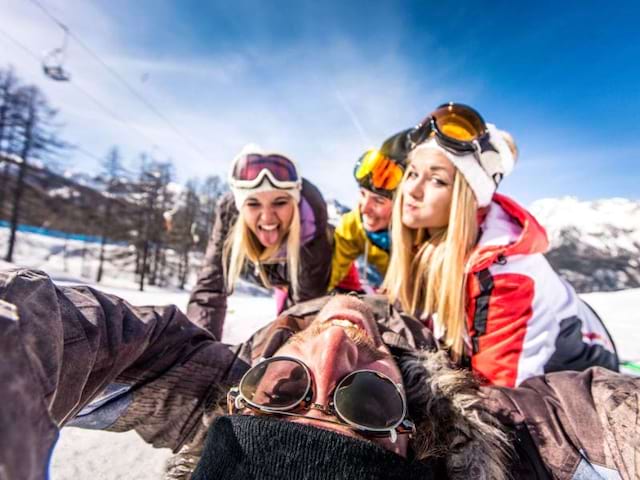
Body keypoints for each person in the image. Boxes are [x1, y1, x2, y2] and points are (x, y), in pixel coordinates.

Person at [1, 267, 637, 480]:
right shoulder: (514, 430)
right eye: (365, 402)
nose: (333, 349)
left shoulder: (204, 386)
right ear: (418, 435)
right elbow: (604, 415)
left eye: (281, 391)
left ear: (234, 403)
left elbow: (47, 326)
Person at [382, 102, 618, 387]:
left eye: (437, 180)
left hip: (584, 373)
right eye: (412, 173)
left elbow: (501, 399)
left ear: (466, 197)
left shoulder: (507, 276)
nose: (412, 190)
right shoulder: (426, 240)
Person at [187, 144, 332, 338]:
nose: (267, 218)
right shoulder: (229, 215)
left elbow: (306, 306)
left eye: (280, 202)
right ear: (240, 207)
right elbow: (209, 289)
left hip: (310, 272)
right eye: (253, 204)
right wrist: (199, 351)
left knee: (294, 324)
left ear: (295, 203)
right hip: (271, 275)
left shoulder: (311, 218)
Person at [329, 147, 404, 292]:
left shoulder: (422, 230)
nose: (364, 209)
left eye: (379, 201)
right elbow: (331, 273)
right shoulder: (352, 225)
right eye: (363, 194)